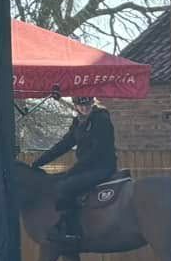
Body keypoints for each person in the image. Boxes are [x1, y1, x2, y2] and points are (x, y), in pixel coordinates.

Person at [32, 95, 118, 245]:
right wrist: (39, 162)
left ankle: (72, 231)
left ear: (92, 103)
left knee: (64, 187)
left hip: (102, 166)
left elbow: (97, 151)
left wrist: (74, 170)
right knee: (61, 181)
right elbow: (64, 145)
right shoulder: (78, 122)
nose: (84, 108)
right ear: (76, 106)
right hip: (87, 167)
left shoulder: (101, 120)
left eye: (87, 105)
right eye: (80, 105)